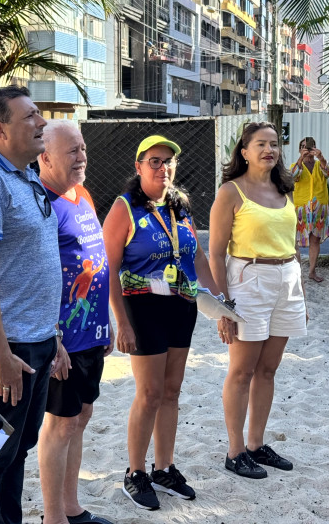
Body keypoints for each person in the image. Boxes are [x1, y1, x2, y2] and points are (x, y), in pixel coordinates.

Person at [0, 85, 63, 524]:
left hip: (36, 342)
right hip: (9, 349)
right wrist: (1, 356)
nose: (42, 123)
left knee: (17, 450)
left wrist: (53, 337)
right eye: (31, 117)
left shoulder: (24, 173)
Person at [103, 135, 220, 509]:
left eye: (168, 161)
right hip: (143, 306)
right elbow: (110, 269)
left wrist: (221, 302)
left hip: (182, 307)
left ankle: (163, 467)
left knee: (172, 391)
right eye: (154, 161)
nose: (163, 168)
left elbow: (197, 258)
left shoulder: (180, 205)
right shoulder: (125, 208)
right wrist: (120, 322)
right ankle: (135, 472)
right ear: (138, 167)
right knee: (150, 393)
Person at [209, 122, 306, 480]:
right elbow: (216, 254)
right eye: (261, 144)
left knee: (268, 370)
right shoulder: (231, 192)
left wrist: (300, 293)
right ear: (244, 151)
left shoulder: (284, 188)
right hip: (249, 282)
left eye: (274, 144)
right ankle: (235, 452)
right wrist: (224, 307)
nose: (269, 150)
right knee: (242, 370)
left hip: (286, 281)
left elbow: (291, 244)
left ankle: (256, 444)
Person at [36, 120, 114, 524]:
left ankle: (71, 507)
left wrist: (106, 321)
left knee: (82, 417)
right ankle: (53, 517)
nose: (82, 156)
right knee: (61, 424)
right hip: (63, 337)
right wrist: (54, 340)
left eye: (82, 148)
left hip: (91, 331)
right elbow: (38, 276)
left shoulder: (81, 194)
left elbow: (95, 259)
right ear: (45, 157)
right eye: (72, 151)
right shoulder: (42, 204)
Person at [291, 137, 329, 282]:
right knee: (294, 241)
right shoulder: (296, 165)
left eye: (310, 147)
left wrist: (321, 157)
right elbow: (293, 176)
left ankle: (312, 272)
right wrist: (300, 159)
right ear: (299, 149)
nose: (307, 149)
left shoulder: (320, 164)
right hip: (301, 208)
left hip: (319, 207)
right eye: (303, 147)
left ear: (315, 148)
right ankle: (295, 272)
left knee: (315, 240)